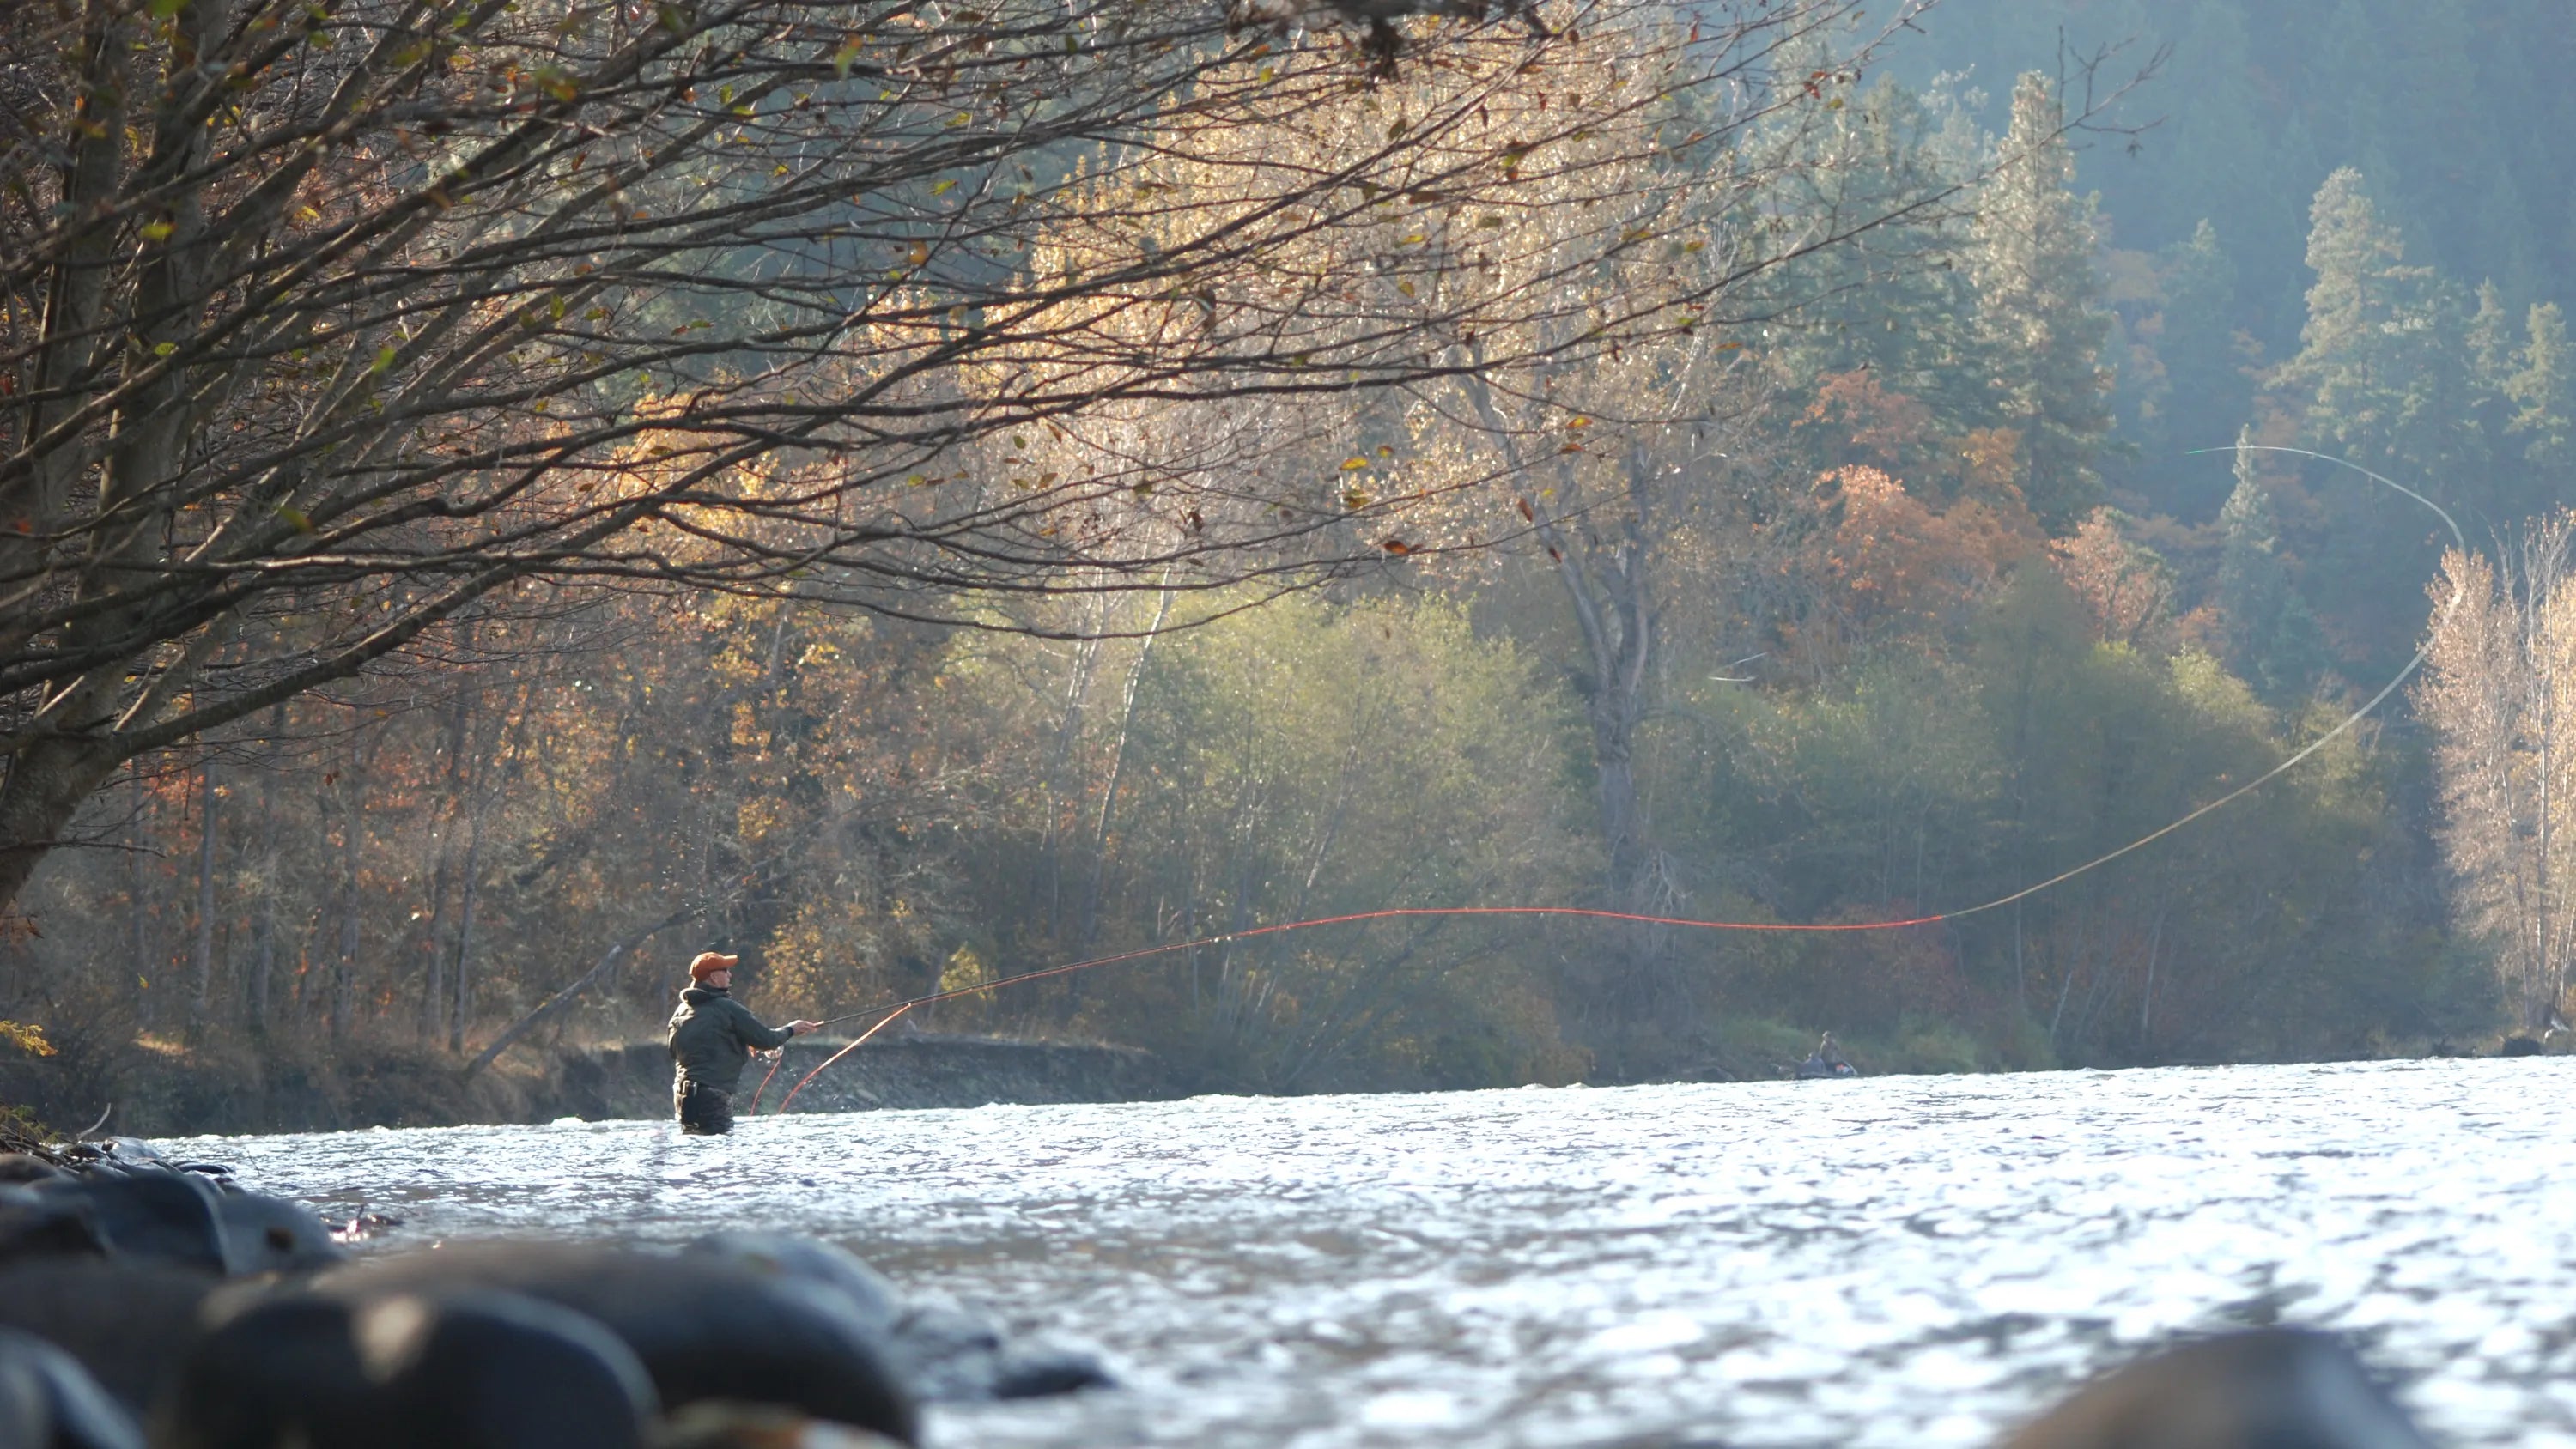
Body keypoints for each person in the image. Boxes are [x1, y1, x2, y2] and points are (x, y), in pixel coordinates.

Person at [666, 952, 821, 1135]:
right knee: (719, 1153)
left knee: (693, 1151)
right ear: (714, 978)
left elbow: (681, 1050)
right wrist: (791, 1029)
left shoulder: (682, 1011)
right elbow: (768, 1040)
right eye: (725, 971)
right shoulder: (726, 1007)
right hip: (712, 1097)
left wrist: (739, 1041)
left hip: (683, 1098)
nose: (730, 975)